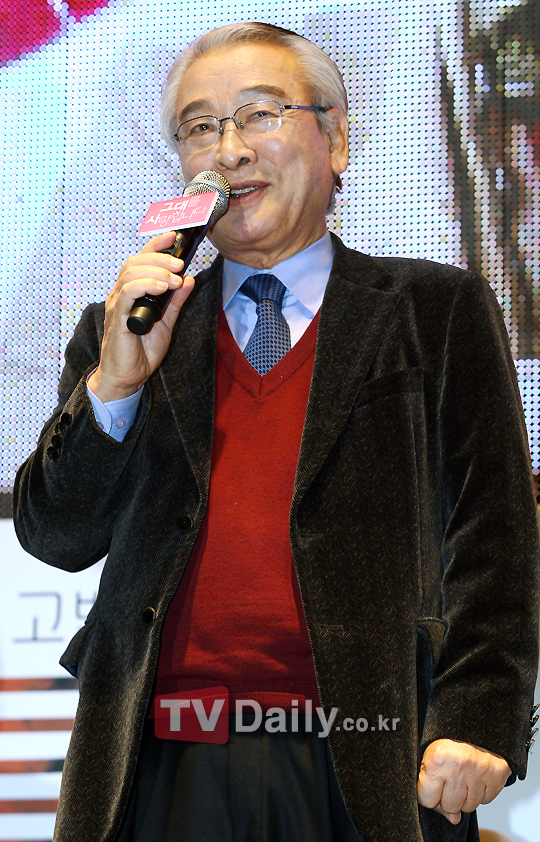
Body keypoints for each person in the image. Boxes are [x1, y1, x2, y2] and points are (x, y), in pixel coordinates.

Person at [13, 21, 540, 842]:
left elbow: (496, 538)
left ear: (336, 140)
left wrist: (480, 718)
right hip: (162, 761)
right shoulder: (126, 327)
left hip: (367, 759)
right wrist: (114, 384)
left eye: (260, 114)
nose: (228, 149)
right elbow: (56, 534)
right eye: (199, 127)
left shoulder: (437, 311)